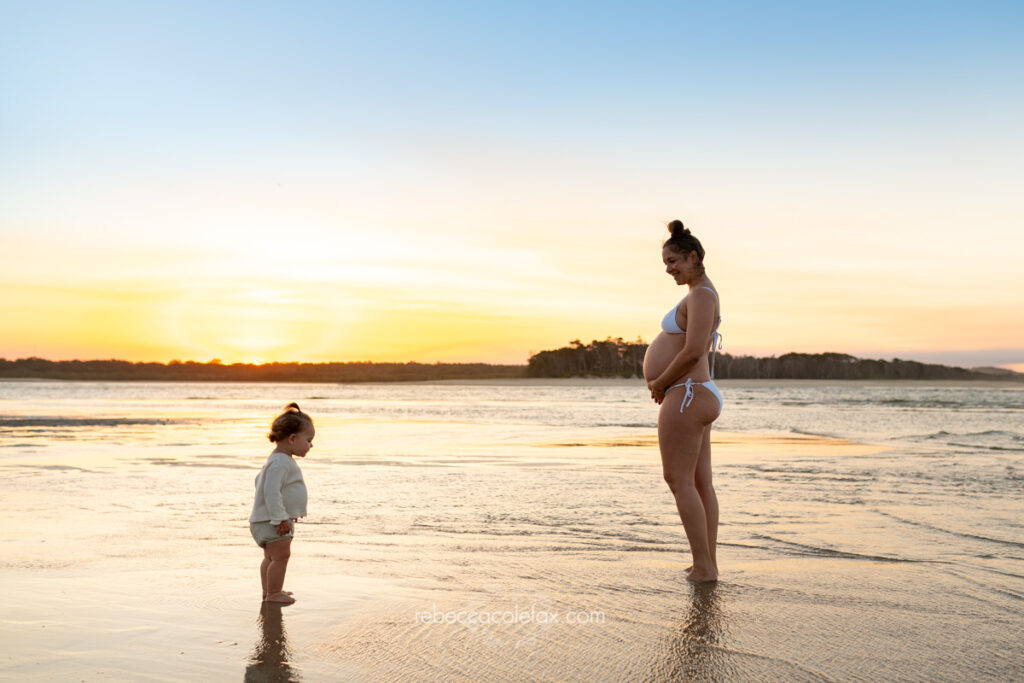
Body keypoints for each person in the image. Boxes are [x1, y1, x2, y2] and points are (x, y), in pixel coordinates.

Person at [643, 220, 723, 583]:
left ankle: (704, 567)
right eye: (665, 264)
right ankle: (705, 563)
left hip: (687, 392)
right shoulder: (698, 293)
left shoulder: (702, 295)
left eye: (673, 261)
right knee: (699, 482)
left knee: (678, 480)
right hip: (690, 393)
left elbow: (694, 350)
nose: (669, 269)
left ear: (694, 256)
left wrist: (660, 381)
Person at [249, 402, 313, 604]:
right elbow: (270, 491)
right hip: (273, 521)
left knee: (271, 558)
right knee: (281, 557)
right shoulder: (281, 462)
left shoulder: (275, 460)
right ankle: (274, 594)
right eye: (309, 440)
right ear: (292, 438)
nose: (311, 445)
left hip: (264, 520)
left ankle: (269, 591)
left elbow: (259, 481)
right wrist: (279, 517)